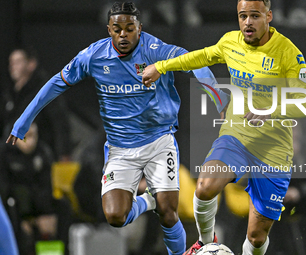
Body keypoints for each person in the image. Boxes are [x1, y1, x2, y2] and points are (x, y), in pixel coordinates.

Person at [6, 2, 228, 255]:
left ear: (139, 28)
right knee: (115, 216)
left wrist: (218, 97)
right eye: (117, 29)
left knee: (168, 213)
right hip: (120, 148)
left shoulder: (156, 50)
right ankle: (149, 201)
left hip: (159, 141)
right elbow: (56, 83)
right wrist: (23, 121)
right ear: (109, 29)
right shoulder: (94, 55)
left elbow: (197, 62)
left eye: (129, 28)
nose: (123, 34)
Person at [142, 0, 306, 254]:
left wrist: (270, 110)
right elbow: (199, 57)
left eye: (254, 16)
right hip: (236, 138)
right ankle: (205, 242)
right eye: (242, 16)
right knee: (204, 187)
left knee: (256, 237)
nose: (247, 22)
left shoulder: (288, 52)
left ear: (269, 16)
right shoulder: (230, 42)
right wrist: (161, 66)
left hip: (273, 152)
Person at [1, 47, 71, 161]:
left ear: (31, 64)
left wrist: (64, 153)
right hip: (11, 156)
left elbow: (60, 122)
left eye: (18, 62)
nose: (13, 67)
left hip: (41, 157)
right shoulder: (9, 94)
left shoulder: (46, 91)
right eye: (11, 63)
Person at [0, 122, 59, 255]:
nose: (29, 142)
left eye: (33, 136)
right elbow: (5, 190)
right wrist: (25, 218)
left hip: (38, 206)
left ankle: (58, 251)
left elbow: (46, 186)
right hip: (15, 207)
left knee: (63, 208)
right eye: (25, 137)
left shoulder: (43, 153)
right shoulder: (4, 154)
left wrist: (45, 213)